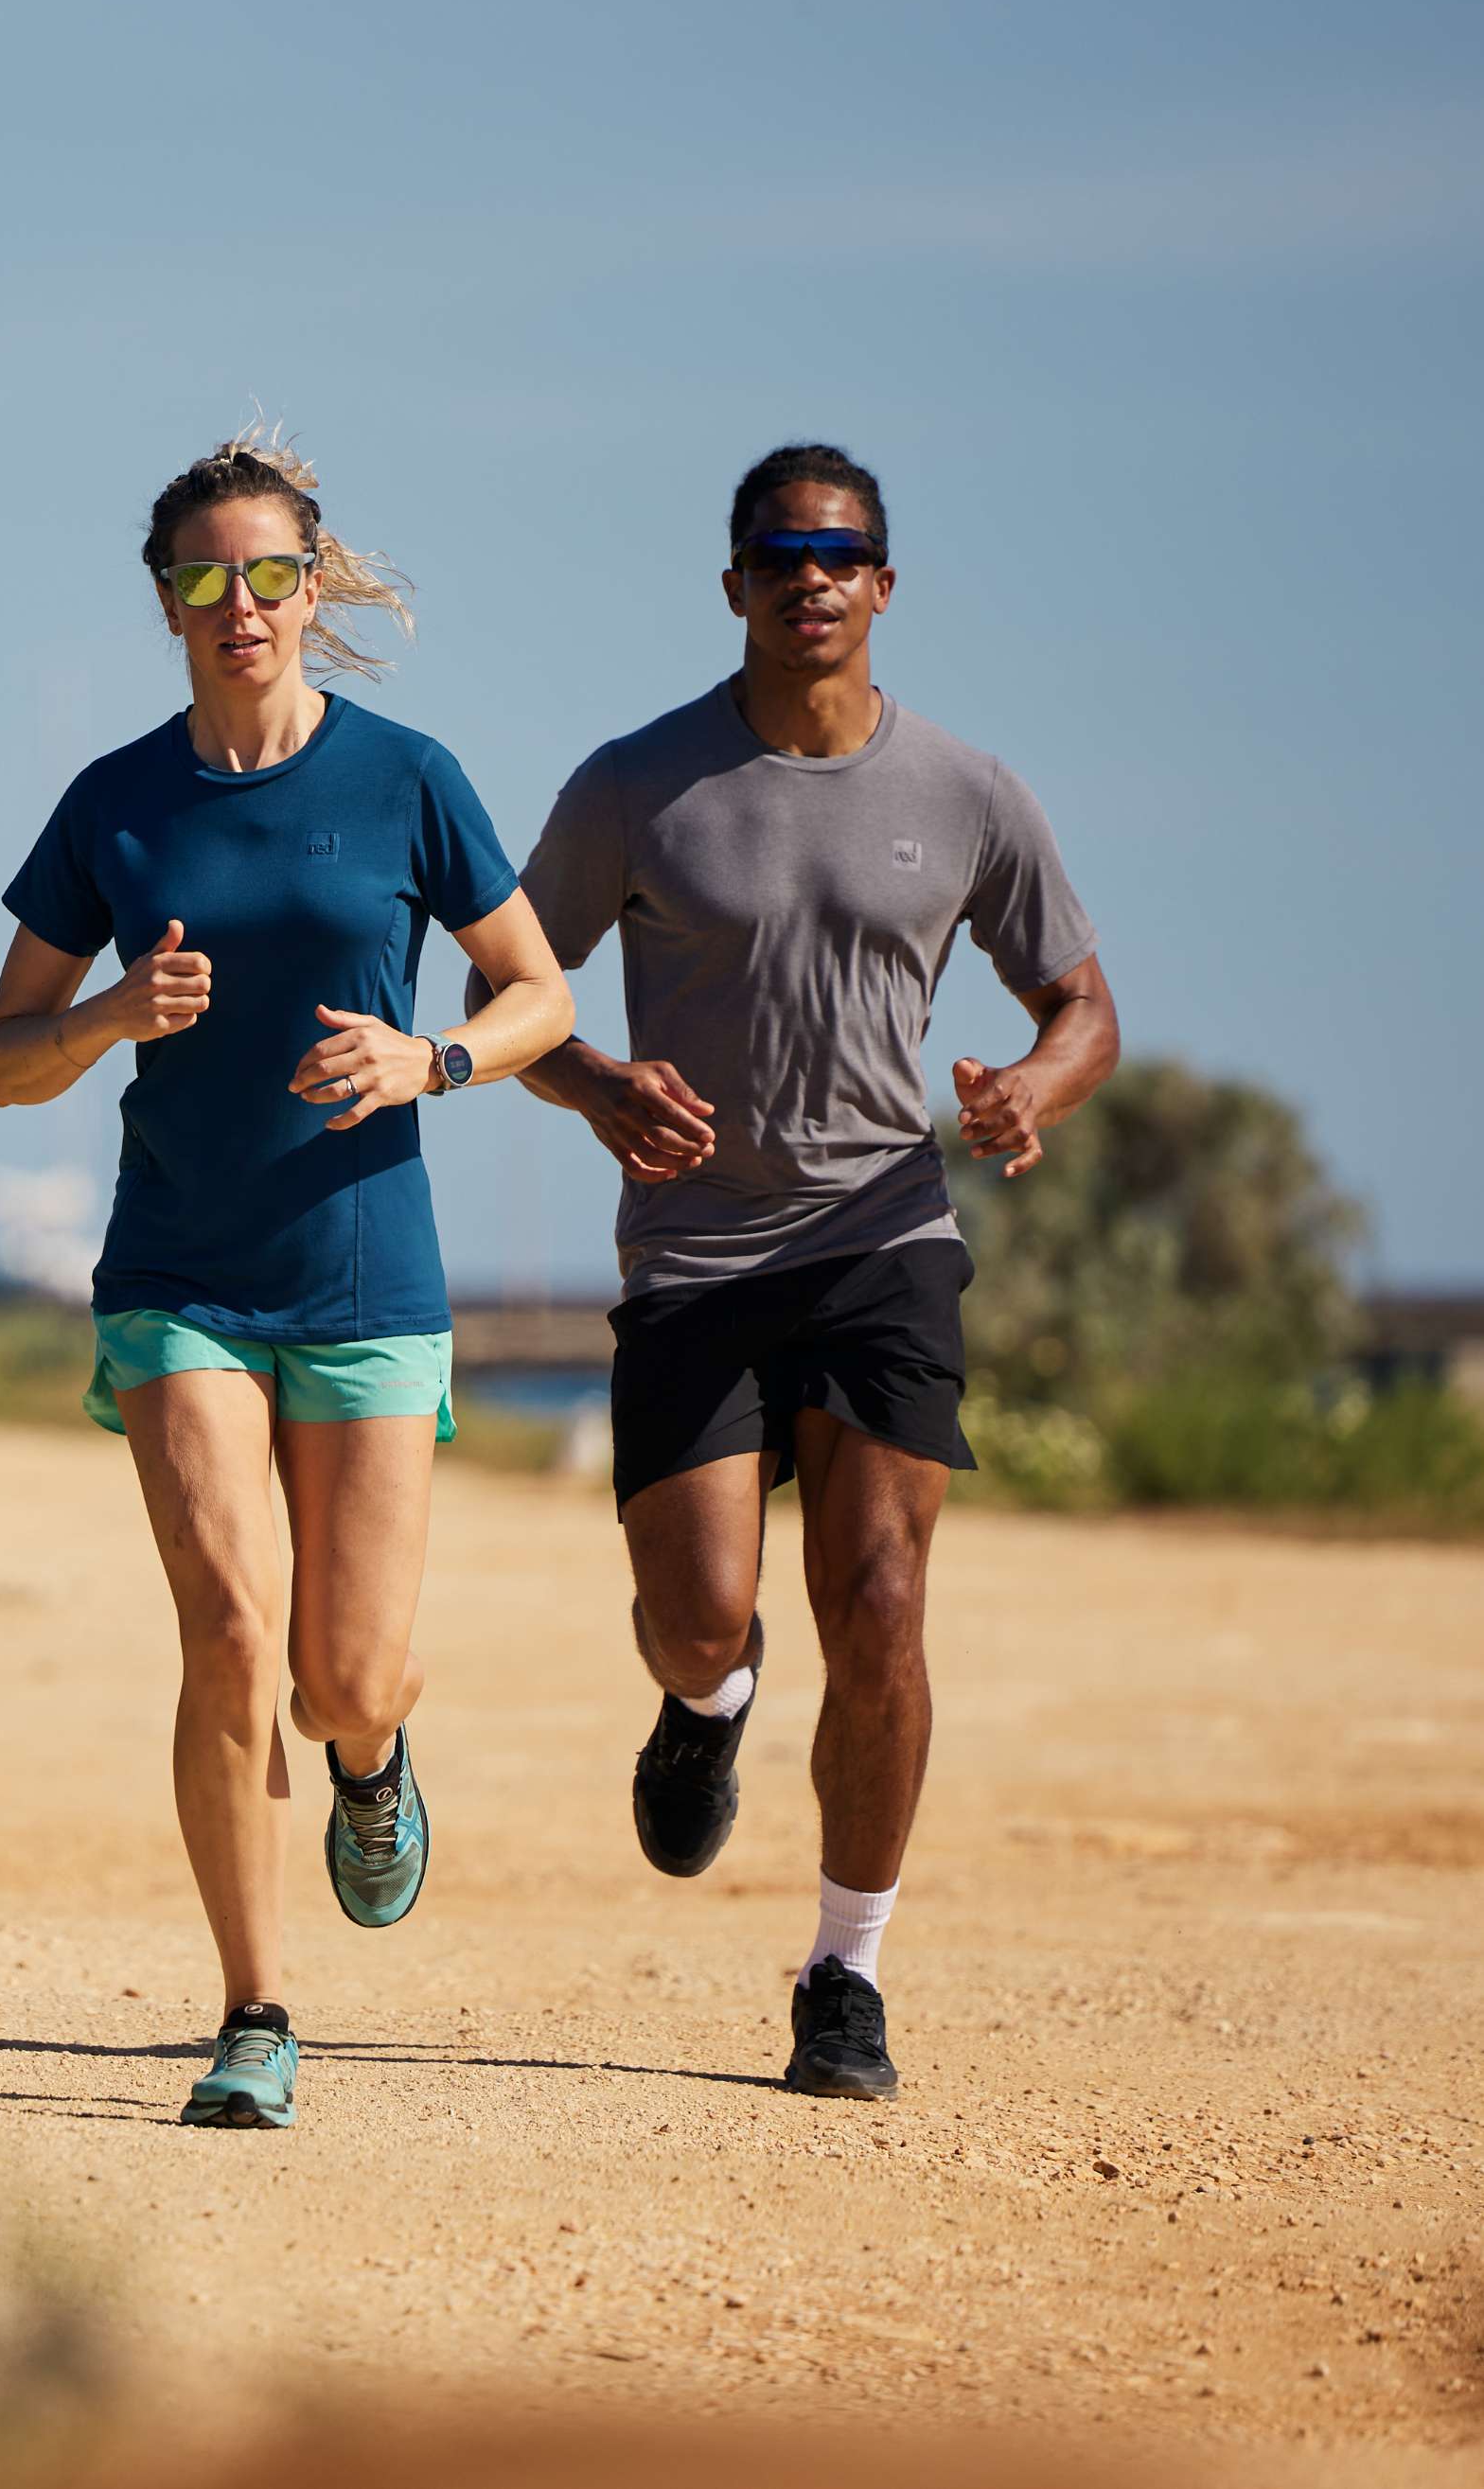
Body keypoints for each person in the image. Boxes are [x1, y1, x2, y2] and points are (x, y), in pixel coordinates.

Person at [472, 441, 1117, 2100]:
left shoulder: (969, 793)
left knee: (885, 1601)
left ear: (884, 585)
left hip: (883, 1235)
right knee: (699, 1619)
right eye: (780, 553)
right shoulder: (640, 785)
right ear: (737, 584)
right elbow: (519, 992)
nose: (810, 577)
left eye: (841, 553)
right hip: (694, 1254)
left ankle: (846, 1972)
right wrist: (600, 1084)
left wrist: (1027, 1093)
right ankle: (712, 1703)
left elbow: (1083, 1007)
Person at [0, 428, 573, 2129]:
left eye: (267, 574)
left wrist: (430, 1061)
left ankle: (372, 1768)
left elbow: (542, 997)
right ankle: (254, 2006)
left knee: (343, 1676)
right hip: (179, 1274)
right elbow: (1, 1057)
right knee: (232, 1630)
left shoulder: (407, 779)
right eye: (201, 577)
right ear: (164, 601)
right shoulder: (116, 804)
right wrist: (108, 1018)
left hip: (369, 1274)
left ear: (315, 590)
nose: (237, 604)